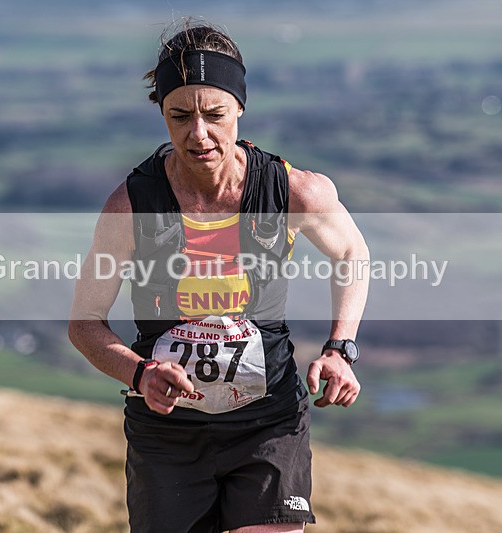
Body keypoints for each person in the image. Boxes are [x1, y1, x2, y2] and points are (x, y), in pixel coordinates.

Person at [69, 19, 369, 533]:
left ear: (240, 110)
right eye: (179, 115)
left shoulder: (294, 194)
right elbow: (85, 324)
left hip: (268, 419)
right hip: (168, 433)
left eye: (215, 113)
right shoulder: (132, 207)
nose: (198, 133)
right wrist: (139, 374)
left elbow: (352, 255)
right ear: (162, 114)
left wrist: (340, 349)